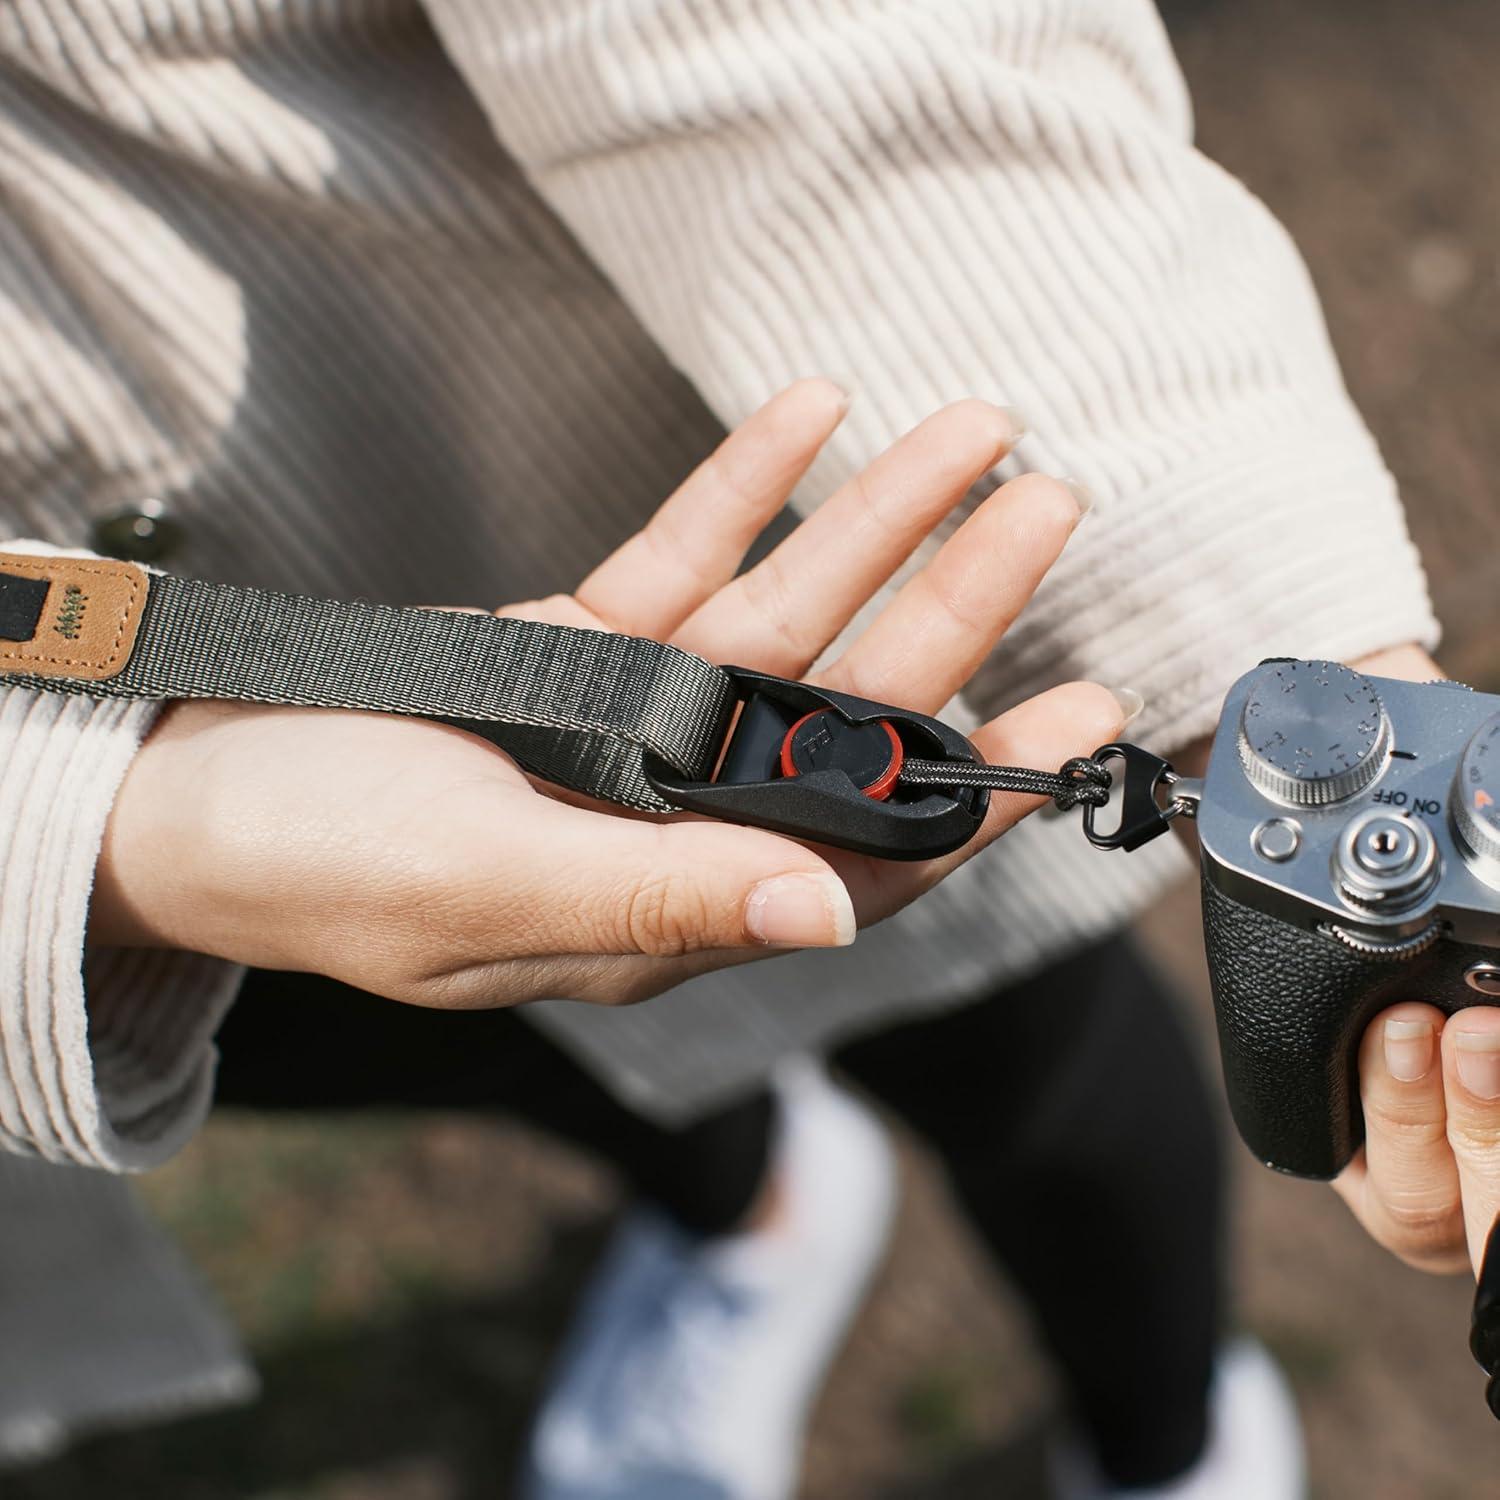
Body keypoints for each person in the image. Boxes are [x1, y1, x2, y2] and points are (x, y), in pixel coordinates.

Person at [0, 2, 1444, 1498]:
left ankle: (1166, 1440)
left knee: (1029, 1064)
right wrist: (76, 828)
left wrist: (1309, 698)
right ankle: (752, 1212)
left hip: (664, 542)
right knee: (529, 1069)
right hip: (103, 906)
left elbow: (836, 47)